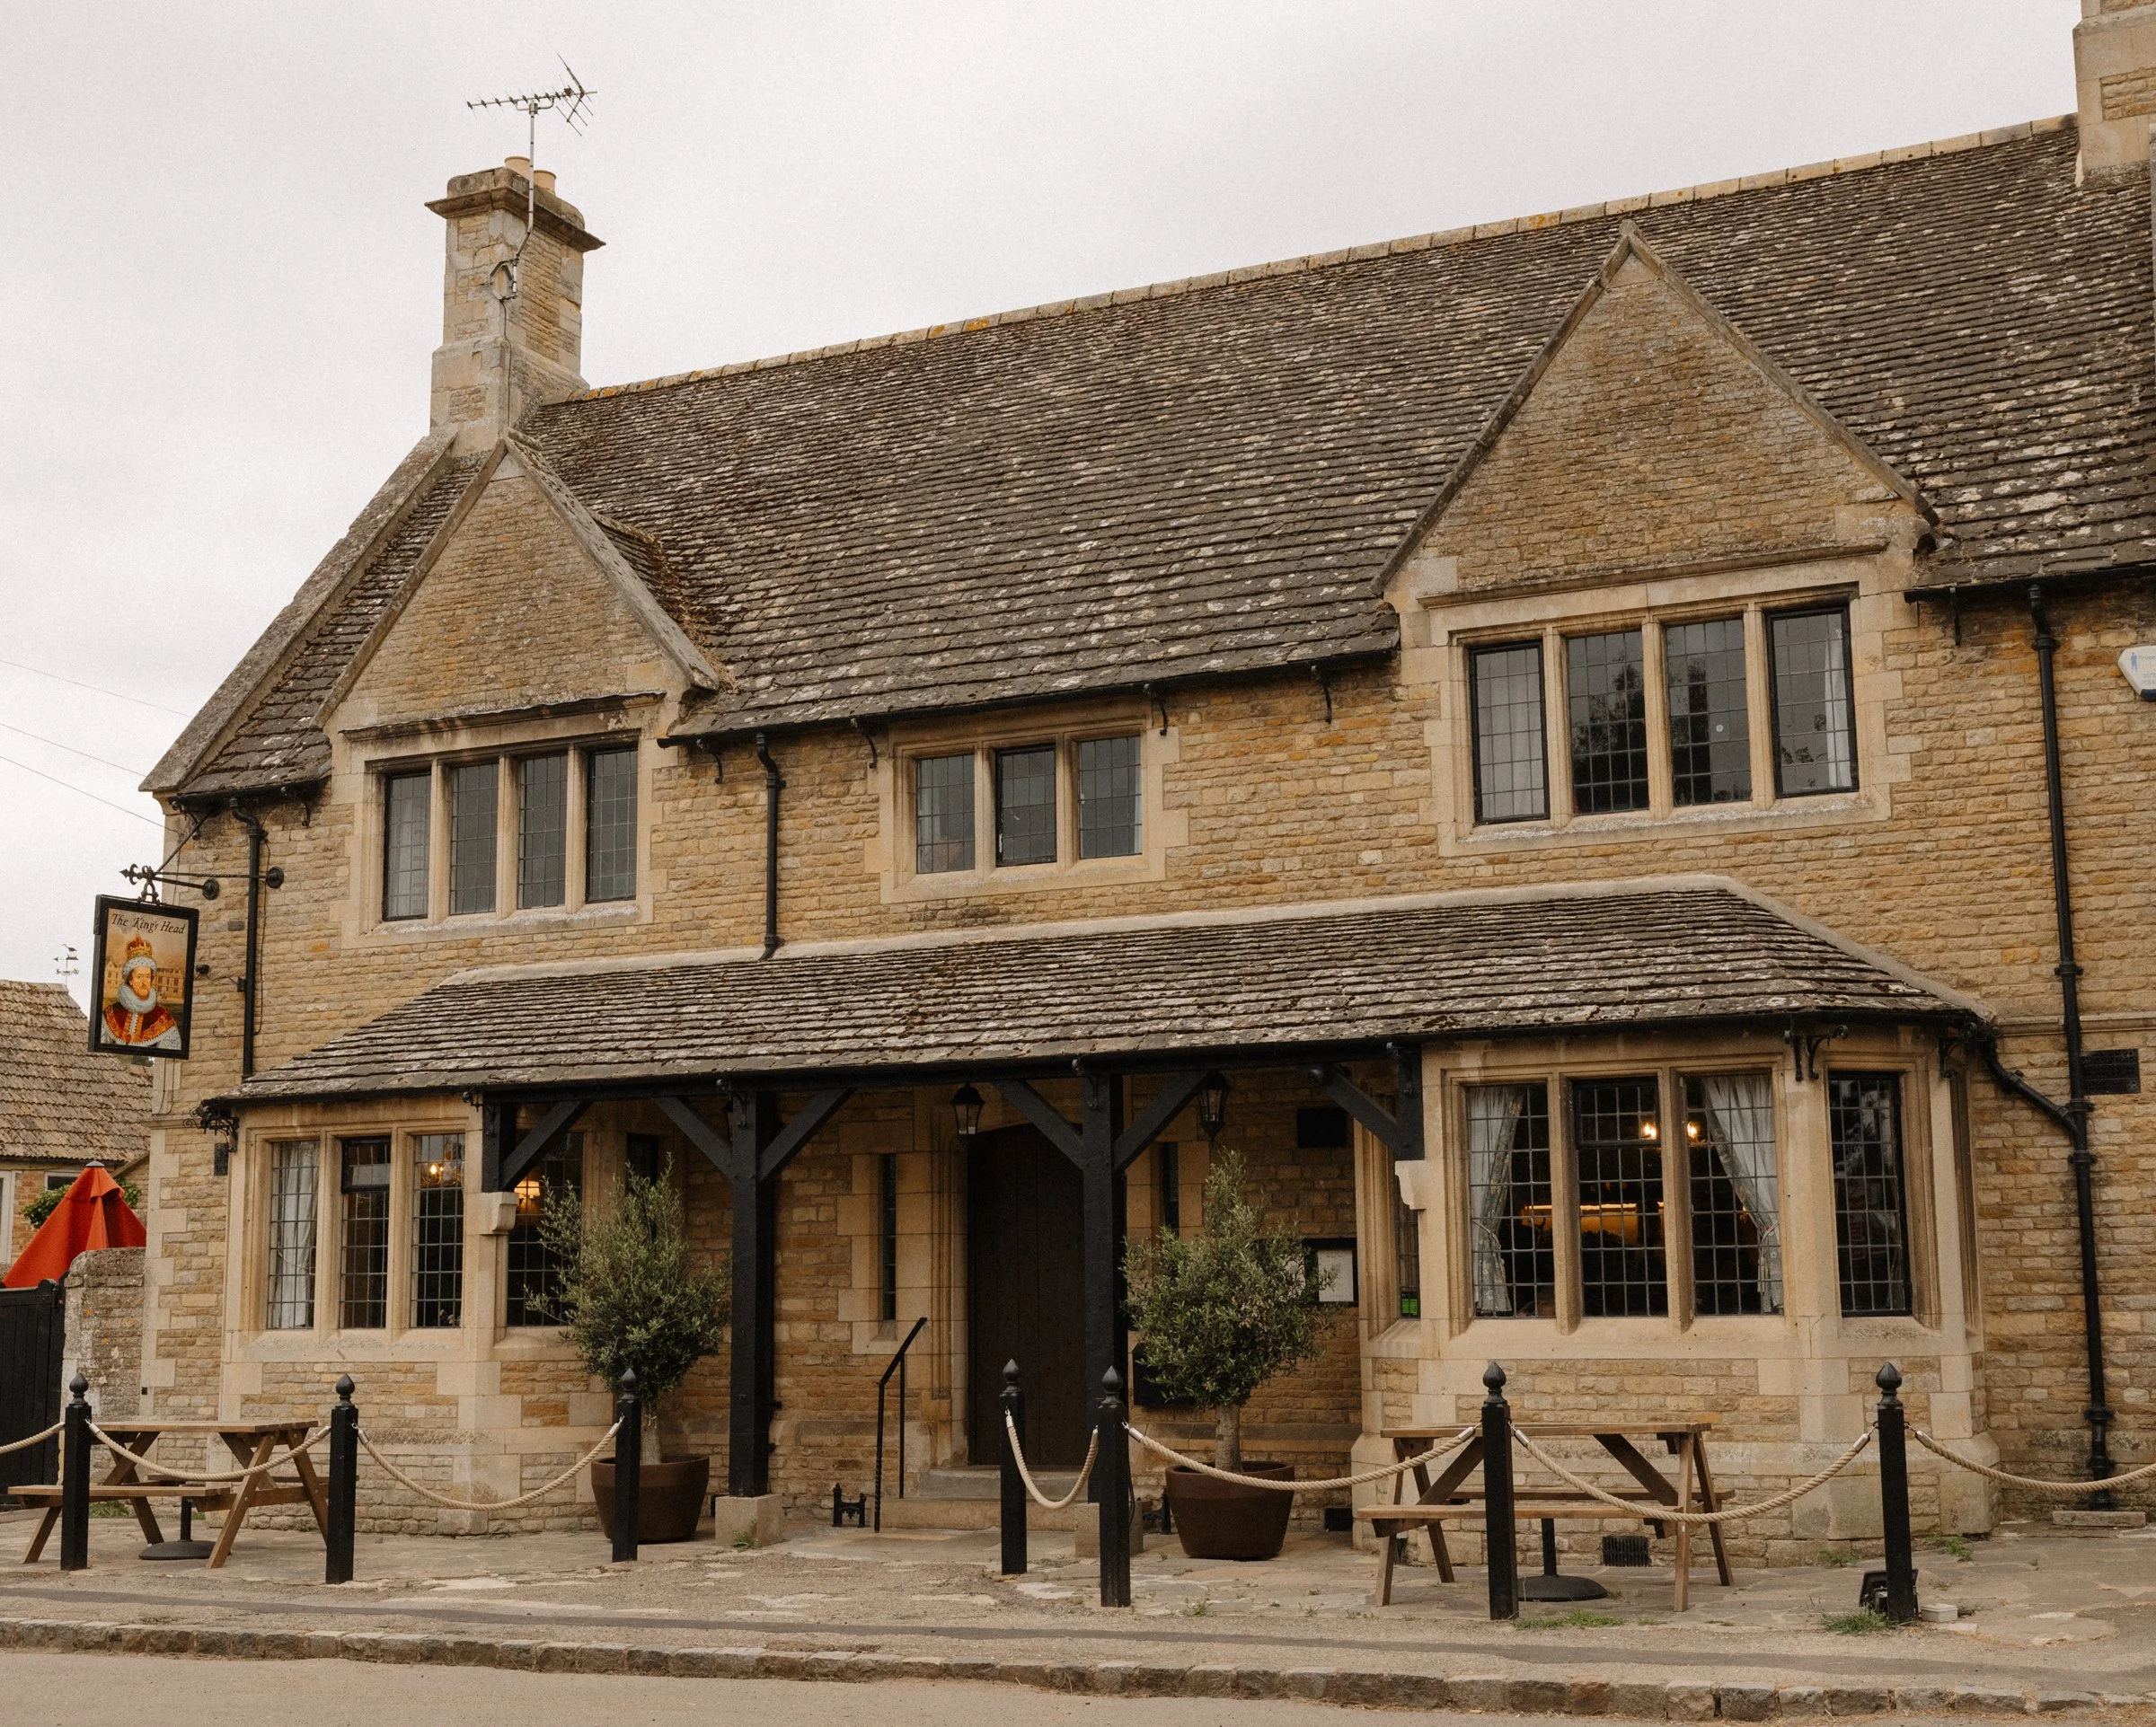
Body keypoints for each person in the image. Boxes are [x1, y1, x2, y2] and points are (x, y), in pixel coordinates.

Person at [102, 933, 181, 1051]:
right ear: (130, 980)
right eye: (139, 977)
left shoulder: (163, 1017)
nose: (144, 982)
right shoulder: (110, 1013)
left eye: (148, 977)